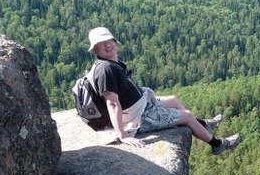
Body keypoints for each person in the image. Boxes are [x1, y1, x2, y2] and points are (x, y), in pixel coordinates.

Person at [87, 26, 241, 156]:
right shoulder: (106, 69)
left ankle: (202, 124)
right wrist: (122, 136)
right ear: (95, 49)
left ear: (115, 42)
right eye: (102, 44)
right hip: (136, 117)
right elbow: (112, 104)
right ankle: (217, 144)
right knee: (186, 116)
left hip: (139, 107)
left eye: (109, 41)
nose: (108, 45)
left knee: (173, 99)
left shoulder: (111, 62)